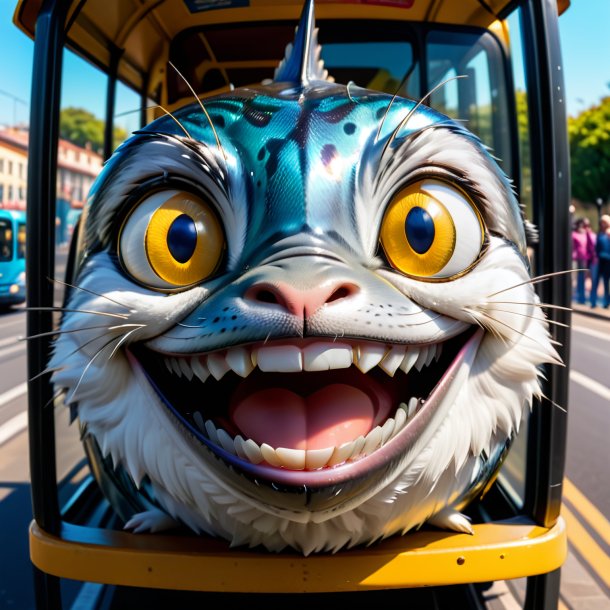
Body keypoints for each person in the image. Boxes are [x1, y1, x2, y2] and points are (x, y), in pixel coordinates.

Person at [590, 214, 610, 309]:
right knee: (595, 282)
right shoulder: (599, 234)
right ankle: (593, 302)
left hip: (607, 261)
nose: (603, 224)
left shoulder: (608, 234)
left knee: (606, 283)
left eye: (604, 222)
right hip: (599, 261)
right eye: (602, 223)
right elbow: (596, 248)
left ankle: (606, 302)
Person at [572, 217, 591, 304]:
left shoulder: (586, 234)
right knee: (577, 278)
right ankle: (578, 296)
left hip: (585, 259)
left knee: (583, 278)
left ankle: (582, 297)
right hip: (576, 259)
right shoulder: (574, 234)